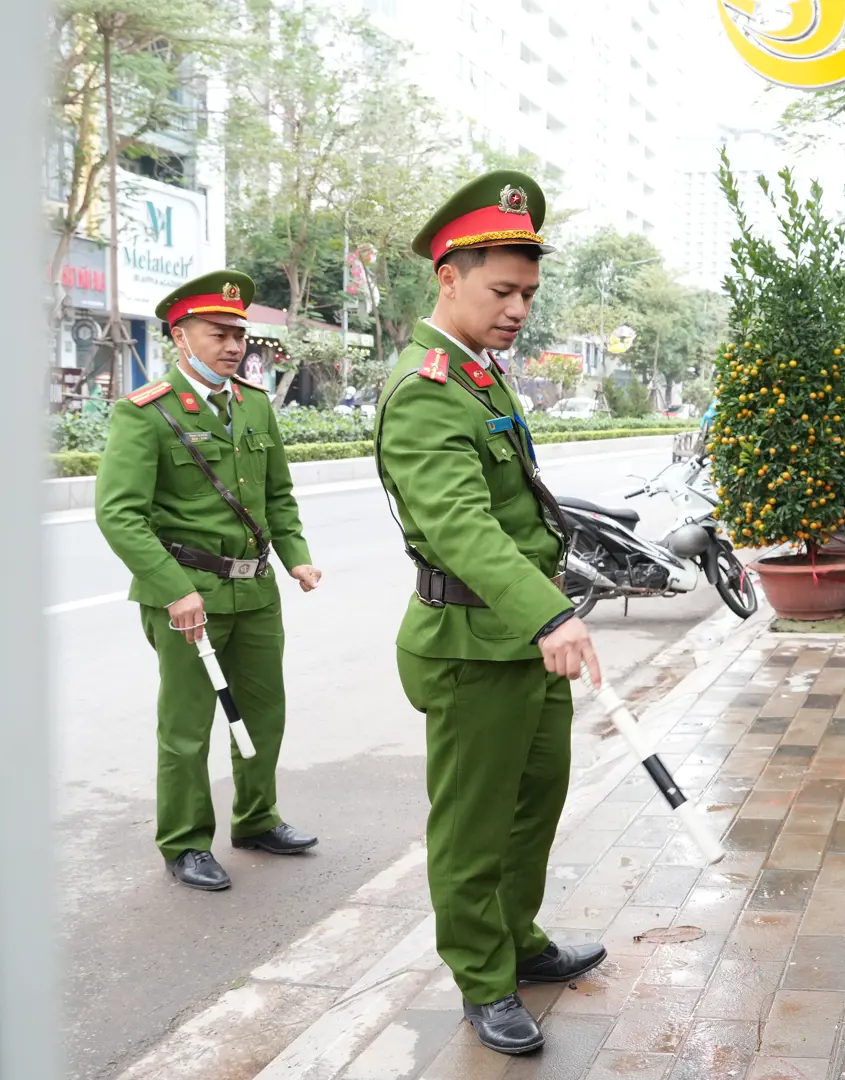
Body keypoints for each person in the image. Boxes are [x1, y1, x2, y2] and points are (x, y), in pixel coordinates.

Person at [373, 170, 606, 1056]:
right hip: (474, 645)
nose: (517, 309)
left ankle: (519, 938)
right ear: (449, 276)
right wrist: (549, 615)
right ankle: (482, 976)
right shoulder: (428, 388)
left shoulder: (481, 376)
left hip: (521, 640)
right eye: (501, 290)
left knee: (534, 804)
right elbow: (462, 526)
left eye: (528, 294)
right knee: (474, 825)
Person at [94, 270, 323, 892]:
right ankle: (186, 842)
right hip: (185, 596)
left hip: (255, 592)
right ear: (180, 336)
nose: (231, 345)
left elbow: (278, 494)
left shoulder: (252, 404)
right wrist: (174, 589)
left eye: (238, 335)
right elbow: (118, 514)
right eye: (217, 333)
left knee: (264, 714)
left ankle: (256, 819)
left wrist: (295, 555)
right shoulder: (146, 412)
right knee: (188, 728)